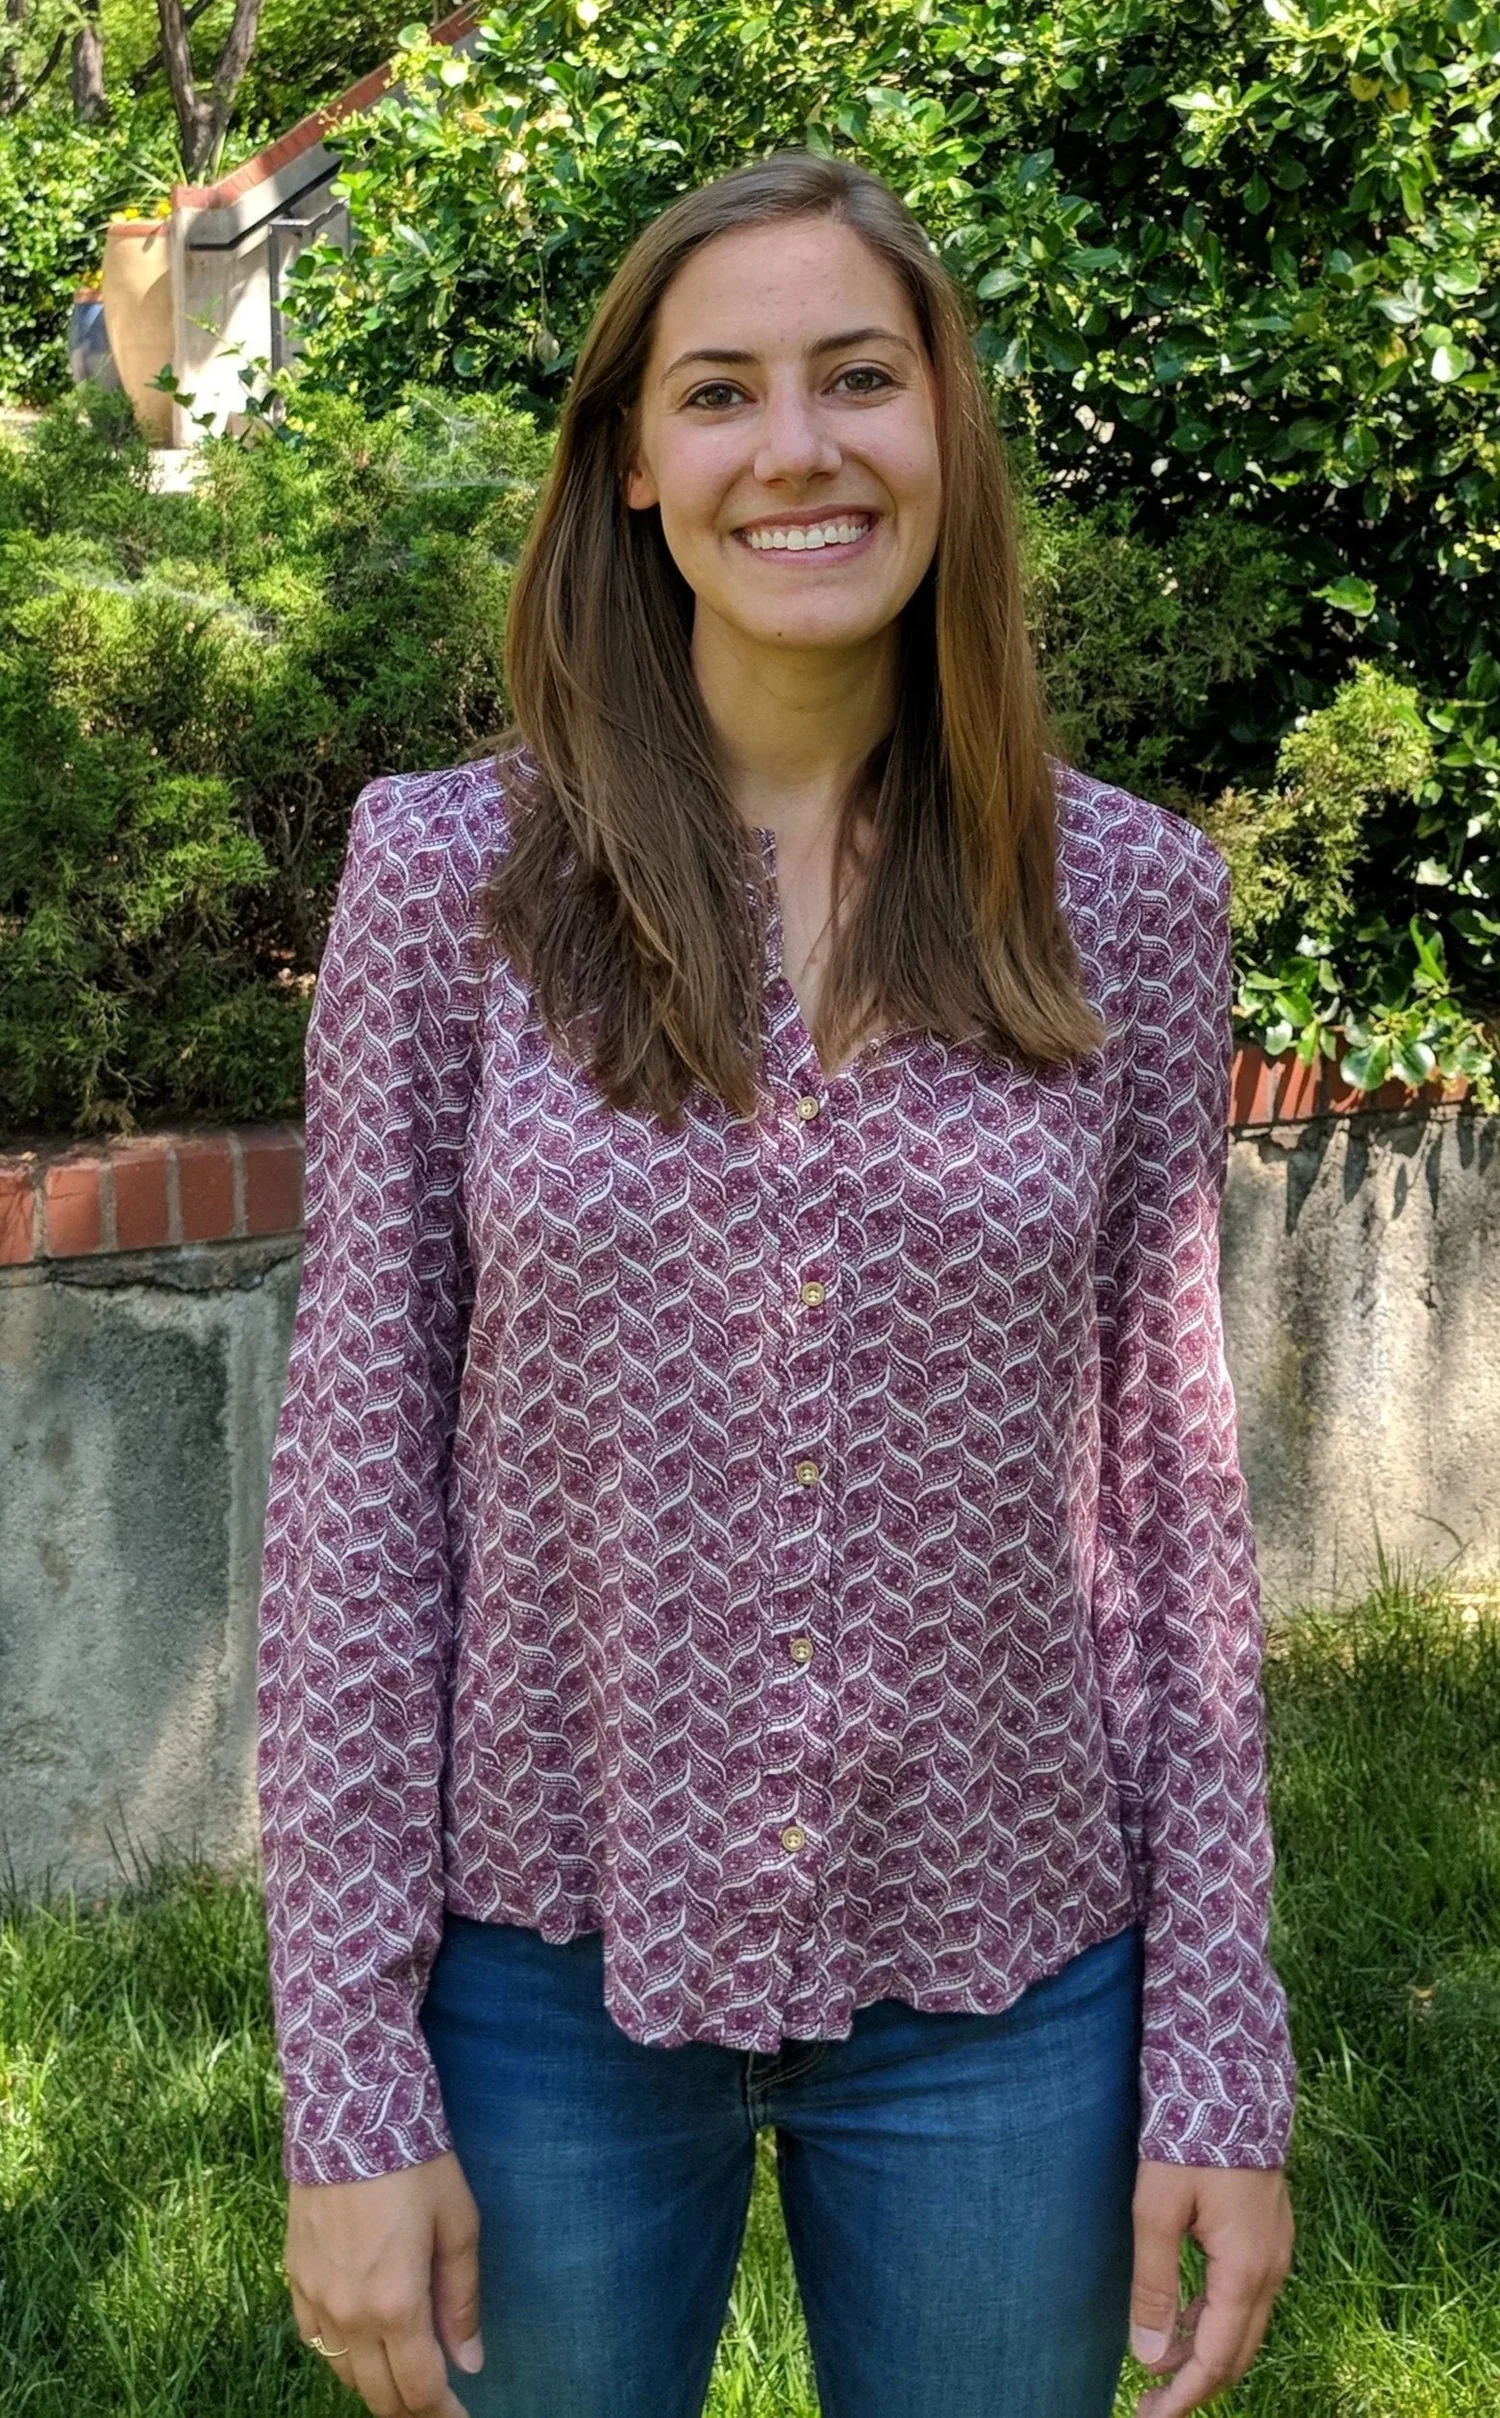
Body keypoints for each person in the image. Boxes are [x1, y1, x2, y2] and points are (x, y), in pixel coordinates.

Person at [256, 149, 1295, 2418]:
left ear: (947, 432)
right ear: (638, 466)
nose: (797, 448)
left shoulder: (1119, 900)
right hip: (532, 1977)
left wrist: (1220, 2056)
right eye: (720, 393)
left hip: (1009, 1988)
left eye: (858, 379)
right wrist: (348, 2079)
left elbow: (1173, 1499)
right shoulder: (454, 885)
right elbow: (355, 1498)